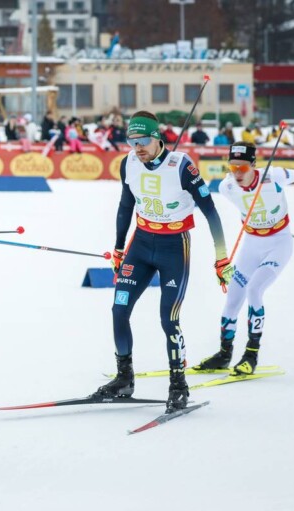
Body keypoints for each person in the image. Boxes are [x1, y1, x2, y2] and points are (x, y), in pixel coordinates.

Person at [96, 110, 232, 413]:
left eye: (143, 140)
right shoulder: (128, 163)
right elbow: (125, 206)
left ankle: (178, 385)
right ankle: (124, 378)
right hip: (141, 245)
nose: (138, 147)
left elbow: (211, 212)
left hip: (174, 247)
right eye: (133, 141)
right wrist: (119, 249)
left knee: (168, 319)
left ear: (157, 137)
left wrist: (221, 257)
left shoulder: (182, 166)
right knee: (119, 309)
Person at [193, 141, 294, 374]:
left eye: (242, 169)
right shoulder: (227, 187)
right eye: (232, 168)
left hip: (278, 244)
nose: (237, 174)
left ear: (254, 165)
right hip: (252, 245)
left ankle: (251, 355)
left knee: (255, 289)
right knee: (234, 295)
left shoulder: (273, 177)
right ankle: (224, 354)